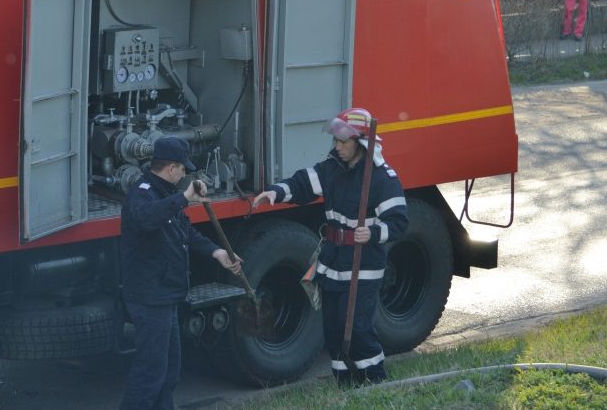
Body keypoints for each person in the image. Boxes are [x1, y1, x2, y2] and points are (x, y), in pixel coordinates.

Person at [252, 107, 408, 387]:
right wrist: (274, 192)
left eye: (343, 142)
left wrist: (372, 233)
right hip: (334, 262)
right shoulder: (332, 168)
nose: (337, 147)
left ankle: (376, 383)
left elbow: (399, 222)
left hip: (363, 266)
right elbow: (302, 183)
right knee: (334, 329)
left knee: (359, 329)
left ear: (360, 143)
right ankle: (346, 385)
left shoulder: (381, 178)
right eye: (336, 141)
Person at [119, 136, 242, 410]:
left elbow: (185, 230)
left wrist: (217, 252)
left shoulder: (165, 194)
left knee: (169, 370)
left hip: (167, 296)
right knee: (150, 373)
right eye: (183, 169)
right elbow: (147, 218)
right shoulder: (143, 192)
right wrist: (184, 198)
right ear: (171, 168)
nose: (185, 174)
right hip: (151, 297)